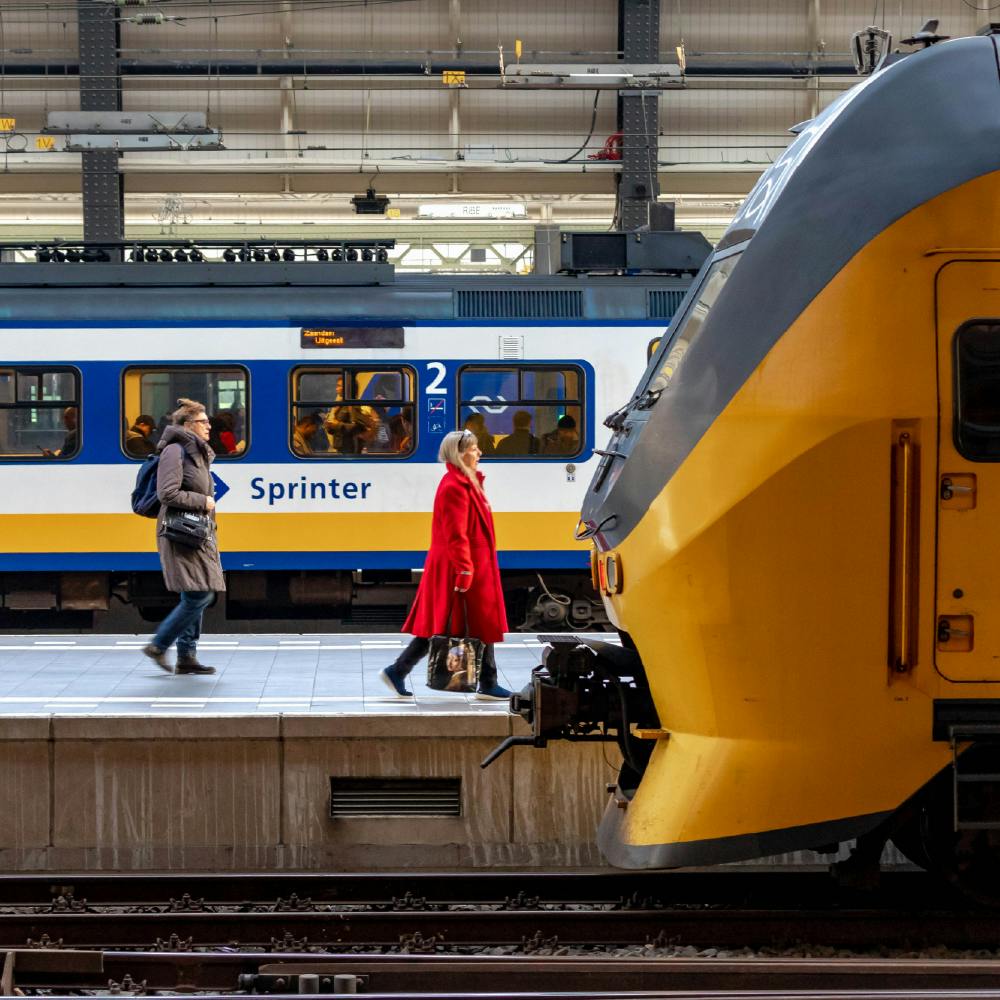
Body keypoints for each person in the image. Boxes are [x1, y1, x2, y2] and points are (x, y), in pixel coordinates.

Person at [379, 428, 512, 701]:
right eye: (475, 449)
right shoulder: (456, 487)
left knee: (467, 622)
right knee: (457, 622)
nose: (479, 453)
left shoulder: (466, 483)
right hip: (463, 565)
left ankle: (400, 670)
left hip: (474, 562)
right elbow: (456, 533)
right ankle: (486, 682)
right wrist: (464, 570)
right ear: (460, 453)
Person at [142, 398, 225, 676]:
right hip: (181, 532)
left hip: (196, 531)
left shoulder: (195, 452)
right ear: (188, 425)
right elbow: (168, 493)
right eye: (204, 421)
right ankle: (159, 644)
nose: (209, 426)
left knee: (195, 591)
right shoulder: (175, 451)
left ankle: (186, 656)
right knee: (200, 593)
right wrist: (203, 501)